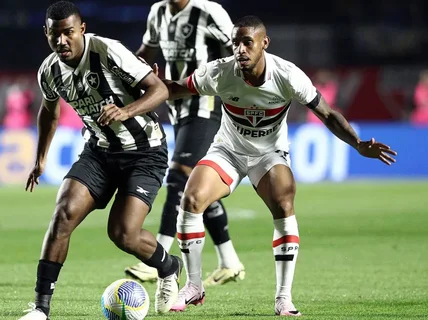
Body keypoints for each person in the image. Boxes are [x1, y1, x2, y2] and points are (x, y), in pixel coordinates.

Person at [160, 15, 397, 315]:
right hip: (228, 150)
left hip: (269, 154)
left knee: (284, 202)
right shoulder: (220, 72)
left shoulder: (287, 75)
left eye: (247, 42)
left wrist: (358, 144)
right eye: (235, 43)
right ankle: (194, 287)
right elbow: (177, 88)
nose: (240, 50)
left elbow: (327, 113)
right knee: (191, 199)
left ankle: (283, 297)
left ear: (264, 43)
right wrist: (151, 85)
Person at [19, 2, 183, 319]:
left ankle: (168, 266)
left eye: (68, 33)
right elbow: (48, 113)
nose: (62, 41)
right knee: (63, 214)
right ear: (46, 34)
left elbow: (158, 89)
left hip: (144, 153)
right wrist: (40, 159)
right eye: (55, 35)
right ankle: (40, 308)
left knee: (123, 234)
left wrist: (125, 111)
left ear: (81, 29)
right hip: (99, 151)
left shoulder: (107, 52)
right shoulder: (49, 71)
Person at [124, 0, 245, 287]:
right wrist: (125, 71)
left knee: (179, 175)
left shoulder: (209, 11)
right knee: (196, 183)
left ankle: (158, 258)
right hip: (178, 108)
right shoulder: (158, 12)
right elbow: (146, 52)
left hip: (208, 104)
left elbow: (239, 52)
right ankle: (230, 262)